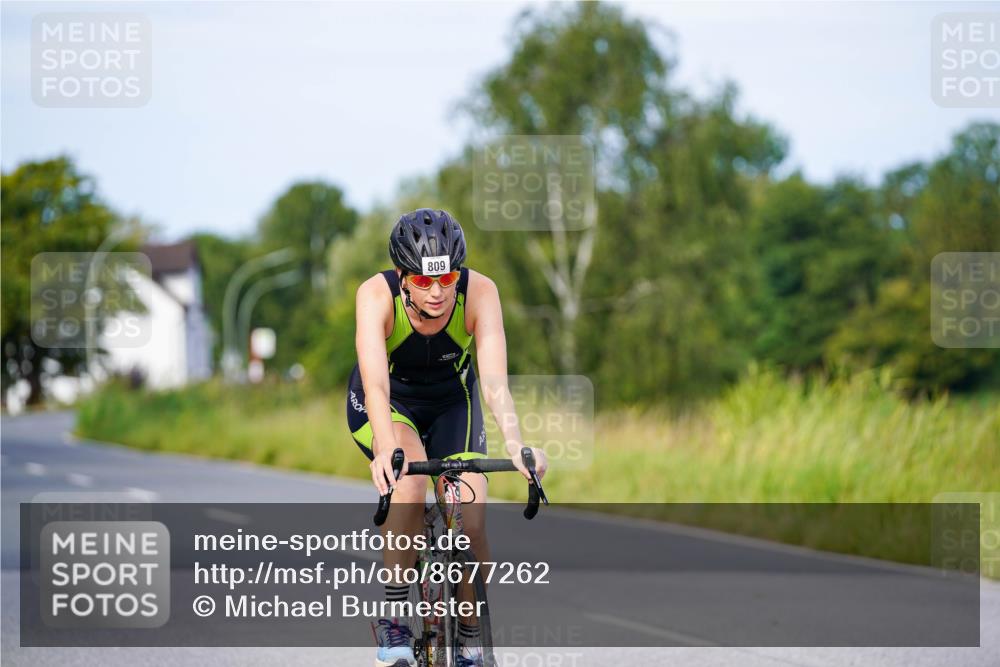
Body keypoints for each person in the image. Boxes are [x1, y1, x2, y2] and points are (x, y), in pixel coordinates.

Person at [347, 208, 548, 667]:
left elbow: (495, 384)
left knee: (471, 512)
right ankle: (396, 616)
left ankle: (471, 633)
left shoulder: (480, 293)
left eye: (447, 278)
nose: (437, 293)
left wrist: (515, 444)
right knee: (411, 484)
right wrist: (385, 447)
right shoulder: (374, 296)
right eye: (422, 282)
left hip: (452, 403)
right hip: (388, 404)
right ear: (402, 277)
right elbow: (376, 384)